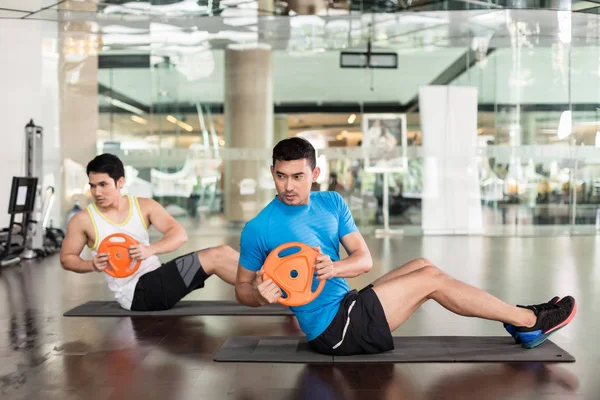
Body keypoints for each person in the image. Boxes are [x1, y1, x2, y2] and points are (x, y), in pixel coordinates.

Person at [235, 137, 577, 356]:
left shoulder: (332, 203)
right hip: (334, 332)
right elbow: (242, 290)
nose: (288, 185)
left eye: (298, 176)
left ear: (315, 173)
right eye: (281, 176)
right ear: (272, 172)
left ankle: (520, 321)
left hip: (346, 304)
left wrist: (335, 268)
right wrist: (260, 295)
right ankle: (530, 321)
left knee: (424, 265)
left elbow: (364, 260)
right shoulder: (259, 228)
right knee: (433, 282)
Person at [60, 154, 239, 311]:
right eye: (92, 186)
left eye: (103, 185)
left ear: (120, 182)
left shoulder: (144, 206)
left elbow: (179, 235)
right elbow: (67, 258)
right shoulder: (83, 219)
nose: (97, 192)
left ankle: (262, 282)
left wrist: (150, 250)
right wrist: (92, 265)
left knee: (222, 252)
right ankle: (263, 283)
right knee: (215, 256)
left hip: (156, 278)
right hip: (136, 294)